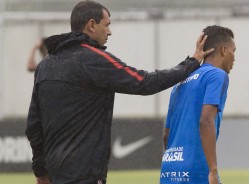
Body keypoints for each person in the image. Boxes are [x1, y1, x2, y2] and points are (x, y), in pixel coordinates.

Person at [25, 1, 213, 184]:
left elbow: (34, 125)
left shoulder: (45, 65)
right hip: (84, 173)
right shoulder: (95, 60)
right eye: (107, 25)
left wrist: (41, 171)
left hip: (54, 173)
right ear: (91, 25)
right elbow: (145, 82)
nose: (109, 31)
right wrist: (192, 62)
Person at [160, 25, 236, 184]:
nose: (234, 57)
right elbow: (206, 120)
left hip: (169, 169)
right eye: (233, 51)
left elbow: (167, 134)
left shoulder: (180, 82)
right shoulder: (217, 75)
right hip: (196, 168)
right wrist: (213, 170)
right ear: (223, 50)